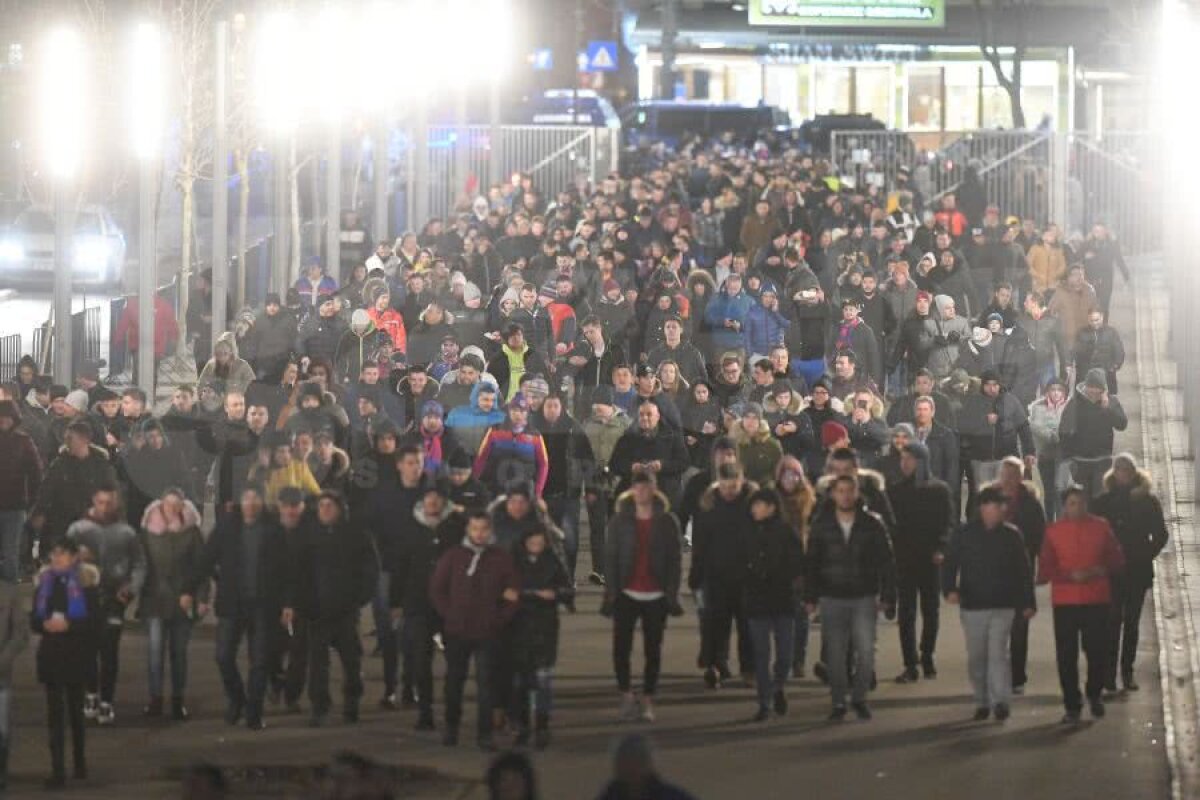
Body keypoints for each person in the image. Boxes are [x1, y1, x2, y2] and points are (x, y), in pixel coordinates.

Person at [183, 486, 288, 731]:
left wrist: (288, 603)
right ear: (241, 501)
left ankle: (254, 712)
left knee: (259, 661)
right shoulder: (227, 527)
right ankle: (238, 699)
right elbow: (206, 559)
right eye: (247, 498)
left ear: (262, 502)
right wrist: (189, 589)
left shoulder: (274, 529)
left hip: (264, 604)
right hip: (232, 604)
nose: (251, 503)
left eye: (256, 498)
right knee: (223, 656)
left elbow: (287, 570)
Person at [804, 474, 896, 720]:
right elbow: (811, 562)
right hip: (832, 596)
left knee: (866, 652)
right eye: (840, 490)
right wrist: (810, 596)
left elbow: (886, 561)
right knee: (835, 654)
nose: (845, 495)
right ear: (833, 494)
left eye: (849, 490)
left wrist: (888, 595)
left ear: (857, 493)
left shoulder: (872, 523)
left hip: (863, 595)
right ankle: (838, 703)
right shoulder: (822, 525)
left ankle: (859, 697)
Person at [283, 490, 378, 727]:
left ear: (340, 509)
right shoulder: (308, 537)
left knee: (352, 661)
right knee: (318, 664)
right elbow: (297, 573)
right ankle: (320, 707)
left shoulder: (357, 535)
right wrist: (299, 603)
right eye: (321, 505)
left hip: (346, 611)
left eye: (330, 505)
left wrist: (358, 599)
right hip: (316, 612)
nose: (325, 509)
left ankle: (352, 703)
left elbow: (370, 570)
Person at [942, 486, 1037, 721]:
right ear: (984, 507)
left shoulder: (1011, 535)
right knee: (977, 655)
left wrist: (1028, 601)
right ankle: (982, 699)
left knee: (997, 654)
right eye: (997, 505)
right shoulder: (965, 535)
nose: (1002, 509)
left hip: (1003, 604)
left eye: (1002, 506)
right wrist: (949, 589)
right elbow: (950, 563)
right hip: (973, 604)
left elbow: (1023, 570)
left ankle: (1000, 701)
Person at [429, 510, 519, 751]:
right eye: (475, 529)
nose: (479, 534)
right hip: (457, 631)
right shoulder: (453, 557)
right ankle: (451, 727)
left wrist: (499, 619)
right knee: (453, 683)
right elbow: (438, 588)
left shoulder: (501, 559)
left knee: (486, 684)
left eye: (484, 529)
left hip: (488, 632)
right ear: (468, 530)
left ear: (490, 531)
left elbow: (512, 594)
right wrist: (449, 614)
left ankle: (485, 733)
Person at [602, 472, 684, 723]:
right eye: (638, 487)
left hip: (655, 595)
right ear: (632, 490)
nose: (642, 492)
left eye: (647, 487)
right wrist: (612, 592)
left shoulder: (667, 521)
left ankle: (648, 697)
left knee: (653, 649)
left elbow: (675, 560)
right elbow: (611, 559)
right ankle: (626, 693)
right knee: (621, 648)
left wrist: (671, 592)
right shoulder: (619, 521)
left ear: (654, 489)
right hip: (627, 593)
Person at [1039, 485, 1126, 723]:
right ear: (1065, 507)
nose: (1077, 507)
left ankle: (1094, 693)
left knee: (1096, 651)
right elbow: (1046, 568)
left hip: (1096, 598)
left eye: (1081, 502)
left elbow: (1116, 558)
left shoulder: (1101, 527)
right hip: (1065, 600)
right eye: (1072, 503)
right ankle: (1072, 703)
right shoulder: (1054, 532)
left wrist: (1101, 569)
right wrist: (1068, 576)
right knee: (1066, 655)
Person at [67, 485, 144, 727]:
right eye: (100, 502)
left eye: (109, 502)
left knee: (109, 650)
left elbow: (140, 564)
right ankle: (91, 694)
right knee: (88, 649)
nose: (104, 507)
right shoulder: (78, 529)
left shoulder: (126, 533)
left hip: (114, 599)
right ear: (94, 501)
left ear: (116, 503)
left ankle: (106, 700)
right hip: (85, 597)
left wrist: (130, 588)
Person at [1091, 454, 1169, 692]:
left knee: (1132, 622)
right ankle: (1109, 674)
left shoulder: (1147, 501)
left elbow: (1161, 534)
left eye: (1126, 470)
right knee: (1112, 621)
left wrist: (1146, 553)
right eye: (1119, 469)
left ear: (1134, 473)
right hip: (1112, 571)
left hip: (1137, 569)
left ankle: (1127, 672)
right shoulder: (1103, 502)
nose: (1122, 473)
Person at [390, 485, 463, 730]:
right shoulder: (411, 527)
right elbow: (399, 566)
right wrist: (396, 602)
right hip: (418, 603)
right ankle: (425, 713)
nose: (432, 502)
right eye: (428, 498)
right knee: (421, 661)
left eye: (437, 498)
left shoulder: (456, 527)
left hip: (451, 604)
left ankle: (452, 714)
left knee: (456, 663)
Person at [33, 538, 100, 789]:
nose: (56, 558)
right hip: (51, 656)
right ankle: (58, 769)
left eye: (62, 554)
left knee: (75, 713)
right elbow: (33, 620)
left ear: (73, 557)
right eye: (54, 553)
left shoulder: (86, 585)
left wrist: (70, 625)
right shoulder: (44, 584)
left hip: (76, 655)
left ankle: (79, 762)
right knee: (55, 717)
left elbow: (95, 623)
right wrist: (44, 624)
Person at [887, 441, 954, 683]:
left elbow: (948, 524)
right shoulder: (895, 491)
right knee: (906, 613)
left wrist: (941, 548)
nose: (904, 463)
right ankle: (910, 663)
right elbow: (891, 527)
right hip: (905, 559)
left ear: (921, 461)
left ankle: (927, 655)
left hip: (930, 558)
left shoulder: (939, 490)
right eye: (902, 458)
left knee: (930, 610)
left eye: (909, 459)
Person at [138, 488, 205, 721]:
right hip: (155, 599)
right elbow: (141, 564)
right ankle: (155, 698)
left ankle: (178, 700)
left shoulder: (191, 532)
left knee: (179, 652)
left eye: (176, 506)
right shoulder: (148, 531)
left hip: (182, 600)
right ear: (161, 504)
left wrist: (201, 597)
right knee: (155, 652)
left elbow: (200, 567)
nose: (171, 510)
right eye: (168, 505)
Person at [691, 462, 755, 688]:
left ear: (742, 481)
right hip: (715, 575)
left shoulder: (753, 505)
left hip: (746, 576)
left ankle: (749, 670)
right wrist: (695, 574)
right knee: (716, 625)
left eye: (734, 486)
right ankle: (717, 666)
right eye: (725, 487)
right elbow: (700, 542)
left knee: (747, 627)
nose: (729, 492)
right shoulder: (709, 505)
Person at [743, 488, 804, 721]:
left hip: (782, 598)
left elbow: (798, 562)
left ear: (772, 507)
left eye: (759, 505)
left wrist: (789, 580)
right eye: (753, 505)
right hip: (756, 599)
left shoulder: (786, 532)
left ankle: (778, 685)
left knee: (785, 654)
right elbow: (740, 560)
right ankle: (764, 701)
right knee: (761, 653)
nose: (755, 509)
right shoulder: (747, 532)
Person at [510, 525, 572, 749]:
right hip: (518, 628)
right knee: (520, 682)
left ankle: (542, 725)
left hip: (545, 628)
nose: (536, 546)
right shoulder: (513, 563)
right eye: (532, 542)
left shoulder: (553, 562)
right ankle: (523, 726)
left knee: (543, 679)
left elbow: (567, 589)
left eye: (539, 542)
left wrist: (555, 594)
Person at [31, 420, 117, 552]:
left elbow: (111, 491)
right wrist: (39, 512)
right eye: (66, 438)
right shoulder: (60, 464)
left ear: (84, 440)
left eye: (70, 438)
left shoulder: (100, 465)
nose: (66, 442)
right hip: (62, 523)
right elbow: (46, 490)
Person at [1060, 368, 1128, 498]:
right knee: (1083, 498)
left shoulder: (1111, 402)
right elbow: (1064, 432)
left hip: (1103, 459)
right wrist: (1068, 458)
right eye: (1091, 389)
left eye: (1098, 391)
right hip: (1080, 461)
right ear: (1086, 387)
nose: (1094, 394)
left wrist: (1108, 408)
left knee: (1100, 498)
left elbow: (1122, 424)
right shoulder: (1075, 404)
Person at [0, 399, 42, 583]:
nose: (3, 421)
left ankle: (10, 592)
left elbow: (36, 473)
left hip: (15, 504)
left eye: (7, 417)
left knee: (11, 550)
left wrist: (31, 500)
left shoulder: (23, 441)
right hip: (15, 503)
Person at [595, 733, 698, 800]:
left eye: (634, 764)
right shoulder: (611, 794)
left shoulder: (670, 796)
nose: (628, 770)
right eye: (622, 763)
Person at [0, 573, 25, 791]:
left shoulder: (9, 594)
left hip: (1, 675)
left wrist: (3, 661)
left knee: (2, 730)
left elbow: (20, 634)